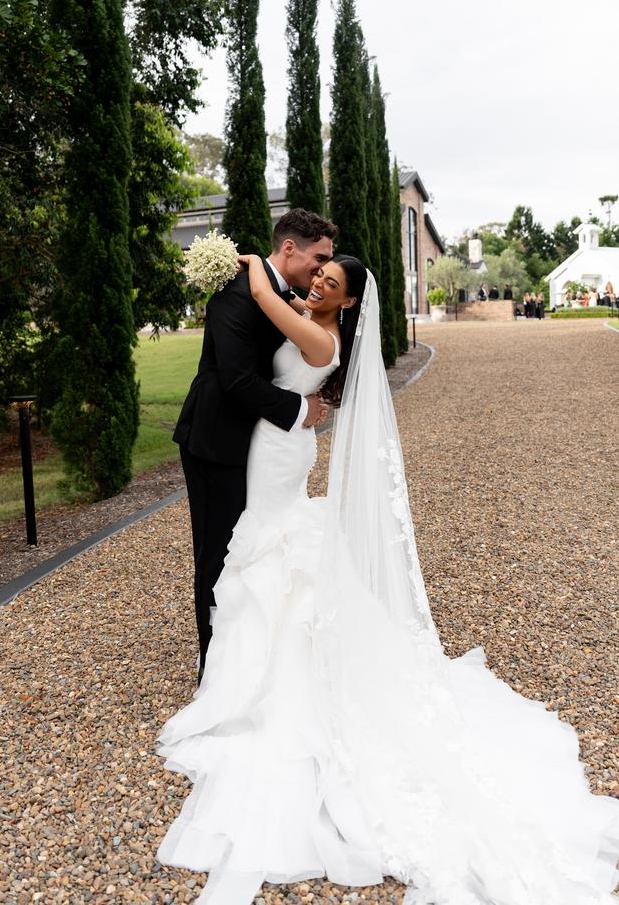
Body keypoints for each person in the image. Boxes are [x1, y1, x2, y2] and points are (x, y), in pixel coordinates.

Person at [157, 254, 619, 904]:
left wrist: (249, 266)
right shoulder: (310, 317)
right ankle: (247, 670)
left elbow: (263, 298)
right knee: (263, 551)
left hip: (281, 448)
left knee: (274, 545)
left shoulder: (321, 334)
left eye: (332, 284)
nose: (318, 284)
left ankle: (272, 682)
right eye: (319, 276)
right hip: (273, 439)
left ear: (348, 304)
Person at [172, 209, 336, 684]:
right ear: (290, 248)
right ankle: (214, 666)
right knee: (218, 549)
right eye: (317, 257)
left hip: (258, 447)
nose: (320, 269)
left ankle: (250, 647)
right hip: (216, 439)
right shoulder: (235, 294)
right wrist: (300, 410)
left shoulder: (280, 294)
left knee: (253, 545)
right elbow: (239, 380)